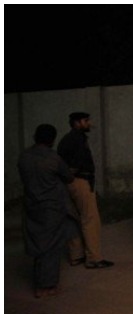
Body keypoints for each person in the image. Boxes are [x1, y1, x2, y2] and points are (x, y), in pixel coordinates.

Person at [18, 124, 78, 298]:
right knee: (51, 247)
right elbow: (68, 177)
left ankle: (39, 282)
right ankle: (47, 286)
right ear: (52, 139)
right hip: (51, 208)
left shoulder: (24, 157)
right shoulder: (53, 158)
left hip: (31, 206)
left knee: (38, 244)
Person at [57, 112, 114, 269]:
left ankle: (77, 255)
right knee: (90, 219)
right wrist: (72, 177)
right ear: (77, 123)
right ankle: (94, 258)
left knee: (74, 219)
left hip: (72, 182)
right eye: (86, 121)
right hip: (80, 181)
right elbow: (73, 165)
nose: (89, 123)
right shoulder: (77, 139)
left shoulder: (68, 139)